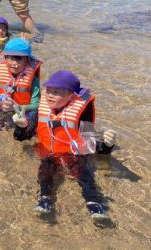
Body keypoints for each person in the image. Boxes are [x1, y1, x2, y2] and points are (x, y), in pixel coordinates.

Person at [32, 70, 117, 220]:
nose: (50, 95)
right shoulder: (42, 110)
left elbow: (91, 143)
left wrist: (107, 145)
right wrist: (21, 126)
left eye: (56, 92)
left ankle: (94, 202)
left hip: (72, 152)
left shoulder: (81, 115)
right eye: (49, 91)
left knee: (82, 172)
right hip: (50, 152)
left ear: (71, 96)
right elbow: (24, 134)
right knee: (45, 168)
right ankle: (45, 198)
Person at [0, 38, 41, 133]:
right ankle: (0, 125)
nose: (14, 63)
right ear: (5, 58)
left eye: (19, 59)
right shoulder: (0, 76)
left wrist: (16, 107)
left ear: (27, 60)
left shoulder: (33, 81)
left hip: (23, 112)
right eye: (11, 58)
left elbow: (36, 105)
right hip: (2, 109)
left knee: (33, 116)